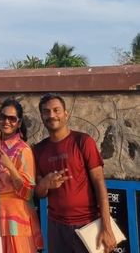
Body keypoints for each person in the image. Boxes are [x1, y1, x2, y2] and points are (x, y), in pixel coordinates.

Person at [34, 93, 117, 253]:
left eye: (56, 110)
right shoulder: (38, 150)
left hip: (88, 224)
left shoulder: (83, 141)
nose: (52, 115)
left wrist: (107, 227)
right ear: (42, 116)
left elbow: (100, 184)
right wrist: (45, 184)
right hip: (56, 227)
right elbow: (39, 193)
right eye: (46, 111)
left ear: (66, 113)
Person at [0, 98, 43, 253]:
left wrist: (11, 167)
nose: (6, 121)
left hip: (15, 216)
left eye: (12, 118)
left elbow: (27, 192)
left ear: (19, 123)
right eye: (3, 117)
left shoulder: (23, 150)